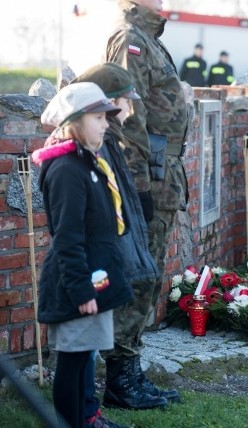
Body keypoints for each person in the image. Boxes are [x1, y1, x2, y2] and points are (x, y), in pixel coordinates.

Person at [33, 82, 135, 427]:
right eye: (97, 117)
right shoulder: (66, 170)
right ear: (75, 122)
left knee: (82, 361)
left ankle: (81, 419)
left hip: (95, 279)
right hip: (77, 286)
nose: (106, 123)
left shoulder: (87, 161)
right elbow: (67, 237)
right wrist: (81, 291)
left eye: (106, 116)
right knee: (72, 364)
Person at [73, 62, 168, 415]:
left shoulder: (116, 133)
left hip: (127, 229)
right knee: (127, 298)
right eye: (125, 99)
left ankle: (129, 374)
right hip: (113, 236)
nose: (130, 106)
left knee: (140, 291)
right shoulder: (103, 138)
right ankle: (120, 381)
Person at [106, 0, 188, 407]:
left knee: (149, 274)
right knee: (138, 276)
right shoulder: (130, 40)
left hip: (162, 171)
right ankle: (119, 378)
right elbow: (125, 118)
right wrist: (138, 185)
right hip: (148, 175)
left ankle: (130, 368)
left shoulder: (150, 38)